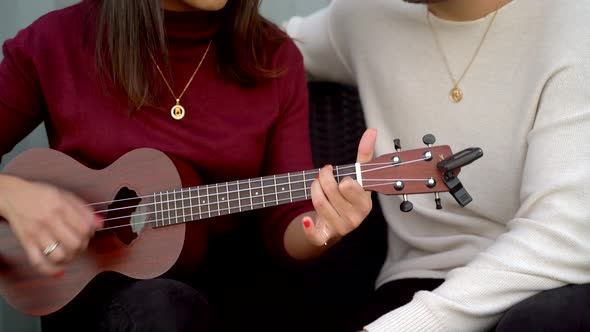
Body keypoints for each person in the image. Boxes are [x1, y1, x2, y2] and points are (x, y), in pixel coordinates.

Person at [0, 0, 375, 331]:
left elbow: (287, 222)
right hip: (98, 295)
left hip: (235, 293)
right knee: (160, 308)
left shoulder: (273, 55)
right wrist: (13, 195)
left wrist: (323, 228)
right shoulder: (56, 42)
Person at [285, 0, 590, 331]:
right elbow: (254, 51)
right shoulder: (366, 14)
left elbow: (563, 238)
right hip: (411, 286)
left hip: (544, 293)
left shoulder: (572, 20)